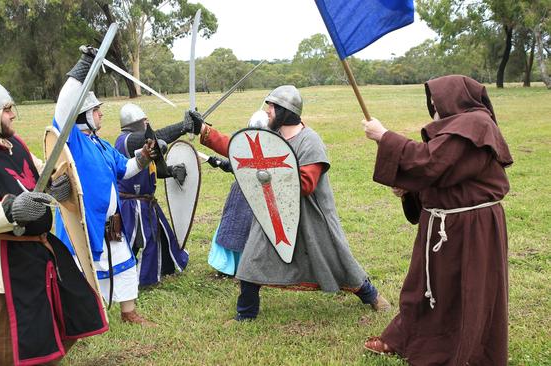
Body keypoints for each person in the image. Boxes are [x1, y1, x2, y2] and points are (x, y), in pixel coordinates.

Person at [0, 77, 108, 365]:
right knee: (16, 335)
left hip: (40, 248)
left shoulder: (13, 144)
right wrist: (9, 210)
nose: (13, 114)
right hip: (5, 258)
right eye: (7, 109)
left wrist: (54, 185)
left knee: (75, 307)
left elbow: (40, 174)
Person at [198, 85, 390, 321]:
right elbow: (240, 149)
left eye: (271, 106)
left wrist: (269, 169)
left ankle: (369, 294)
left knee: (337, 259)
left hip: (311, 216)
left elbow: (306, 184)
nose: (267, 111)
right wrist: (205, 131)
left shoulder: (310, 141)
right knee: (251, 260)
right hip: (274, 213)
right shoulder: (273, 138)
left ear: (285, 111)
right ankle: (246, 314)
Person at [361, 75, 512, 365]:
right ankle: (404, 337)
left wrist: (385, 136)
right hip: (444, 223)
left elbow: (432, 162)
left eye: (436, 100)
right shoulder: (459, 128)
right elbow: (446, 173)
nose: (433, 107)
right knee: (422, 287)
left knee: (465, 290)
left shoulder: (476, 125)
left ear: (454, 98)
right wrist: (410, 188)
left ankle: (466, 350)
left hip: (471, 227)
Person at [53, 47, 157, 325]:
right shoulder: (71, 140)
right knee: (81, 271)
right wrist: (84, 65)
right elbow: (64, 106)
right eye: (96, 111)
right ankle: (79, 321)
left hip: (111, 220)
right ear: (83, 114)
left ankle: (128, 313)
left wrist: (144, 157)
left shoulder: (101, 144)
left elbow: (126, 169)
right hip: (84, 220)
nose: (101, 115)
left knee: (123, 262)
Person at [114, 103, 201, 285]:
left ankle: (163, 268)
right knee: (135, 243)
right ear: (138, 122)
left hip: (145, 202)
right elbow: (156, 137)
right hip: (131, 204)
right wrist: (183, 127)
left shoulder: (138, 142)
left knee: (160, 236)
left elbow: (148, 168)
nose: (148, 123)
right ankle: (137, 279)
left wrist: (169, 171)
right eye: (145, 121)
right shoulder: (126, 140)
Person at [206, 110, 269, 276]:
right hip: (239, 193)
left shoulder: (272, 148)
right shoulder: (245, 143)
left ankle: (240, 268)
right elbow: (239, 166)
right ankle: (225, 268)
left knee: (249, 232)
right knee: (230, 228)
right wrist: (219, 162)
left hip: (258, 196)